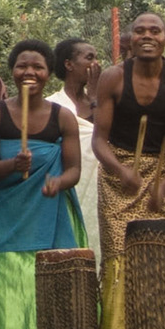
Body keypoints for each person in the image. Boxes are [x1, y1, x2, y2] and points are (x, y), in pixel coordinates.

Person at [89, 11, 165, 329]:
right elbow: (98, 140)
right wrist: (121, 172)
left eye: (155, 31)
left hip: (161, 174)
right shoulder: (113, 78)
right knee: (120, 261)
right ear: (129, 40)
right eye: (139, 31)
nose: (147, 36)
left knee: (161, 262)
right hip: (120, 172)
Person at [0, 40, 83, 329]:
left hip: (45, 213)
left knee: (43, 291)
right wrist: (12, 163)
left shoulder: (61, 117)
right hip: (3, 215)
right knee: (7, 291)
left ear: (49, 73)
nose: (29, 73)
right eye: (23, 66)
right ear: (12, 70)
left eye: (37, 67)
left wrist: (57, 182)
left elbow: (74, 171)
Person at [47, 36, 107, 258]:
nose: (96, 64)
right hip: (67, 188)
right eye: (89, 58)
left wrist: (94, 97)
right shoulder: (53, 105)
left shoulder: (103, 102)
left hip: (101, 192)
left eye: (97, 57)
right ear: (68, 64)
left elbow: (106, 135)